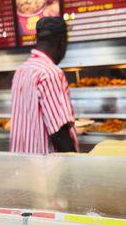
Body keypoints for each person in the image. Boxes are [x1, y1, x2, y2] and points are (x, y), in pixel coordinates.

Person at [10, 17, 78, 154]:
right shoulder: (50, 73)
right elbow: (60, 133)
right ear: (61, 42)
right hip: (45, 170)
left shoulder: (21, 71)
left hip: (21, 165)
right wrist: (74, 169)